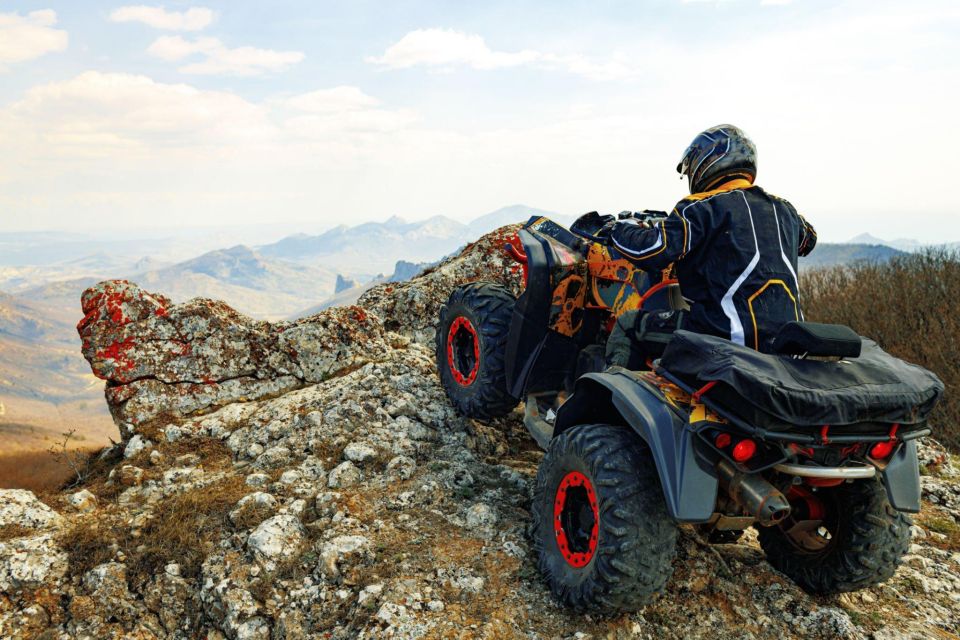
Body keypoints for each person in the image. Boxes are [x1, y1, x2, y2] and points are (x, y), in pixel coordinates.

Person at [605, 124, 817, 368]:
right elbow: (808, 240)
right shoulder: (785, 209)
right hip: (785, 345)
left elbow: (652, 250)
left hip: (724, 339)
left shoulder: (701, 207)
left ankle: (607, 404)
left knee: (628, 324)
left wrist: (618, 229)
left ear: (707, 161)